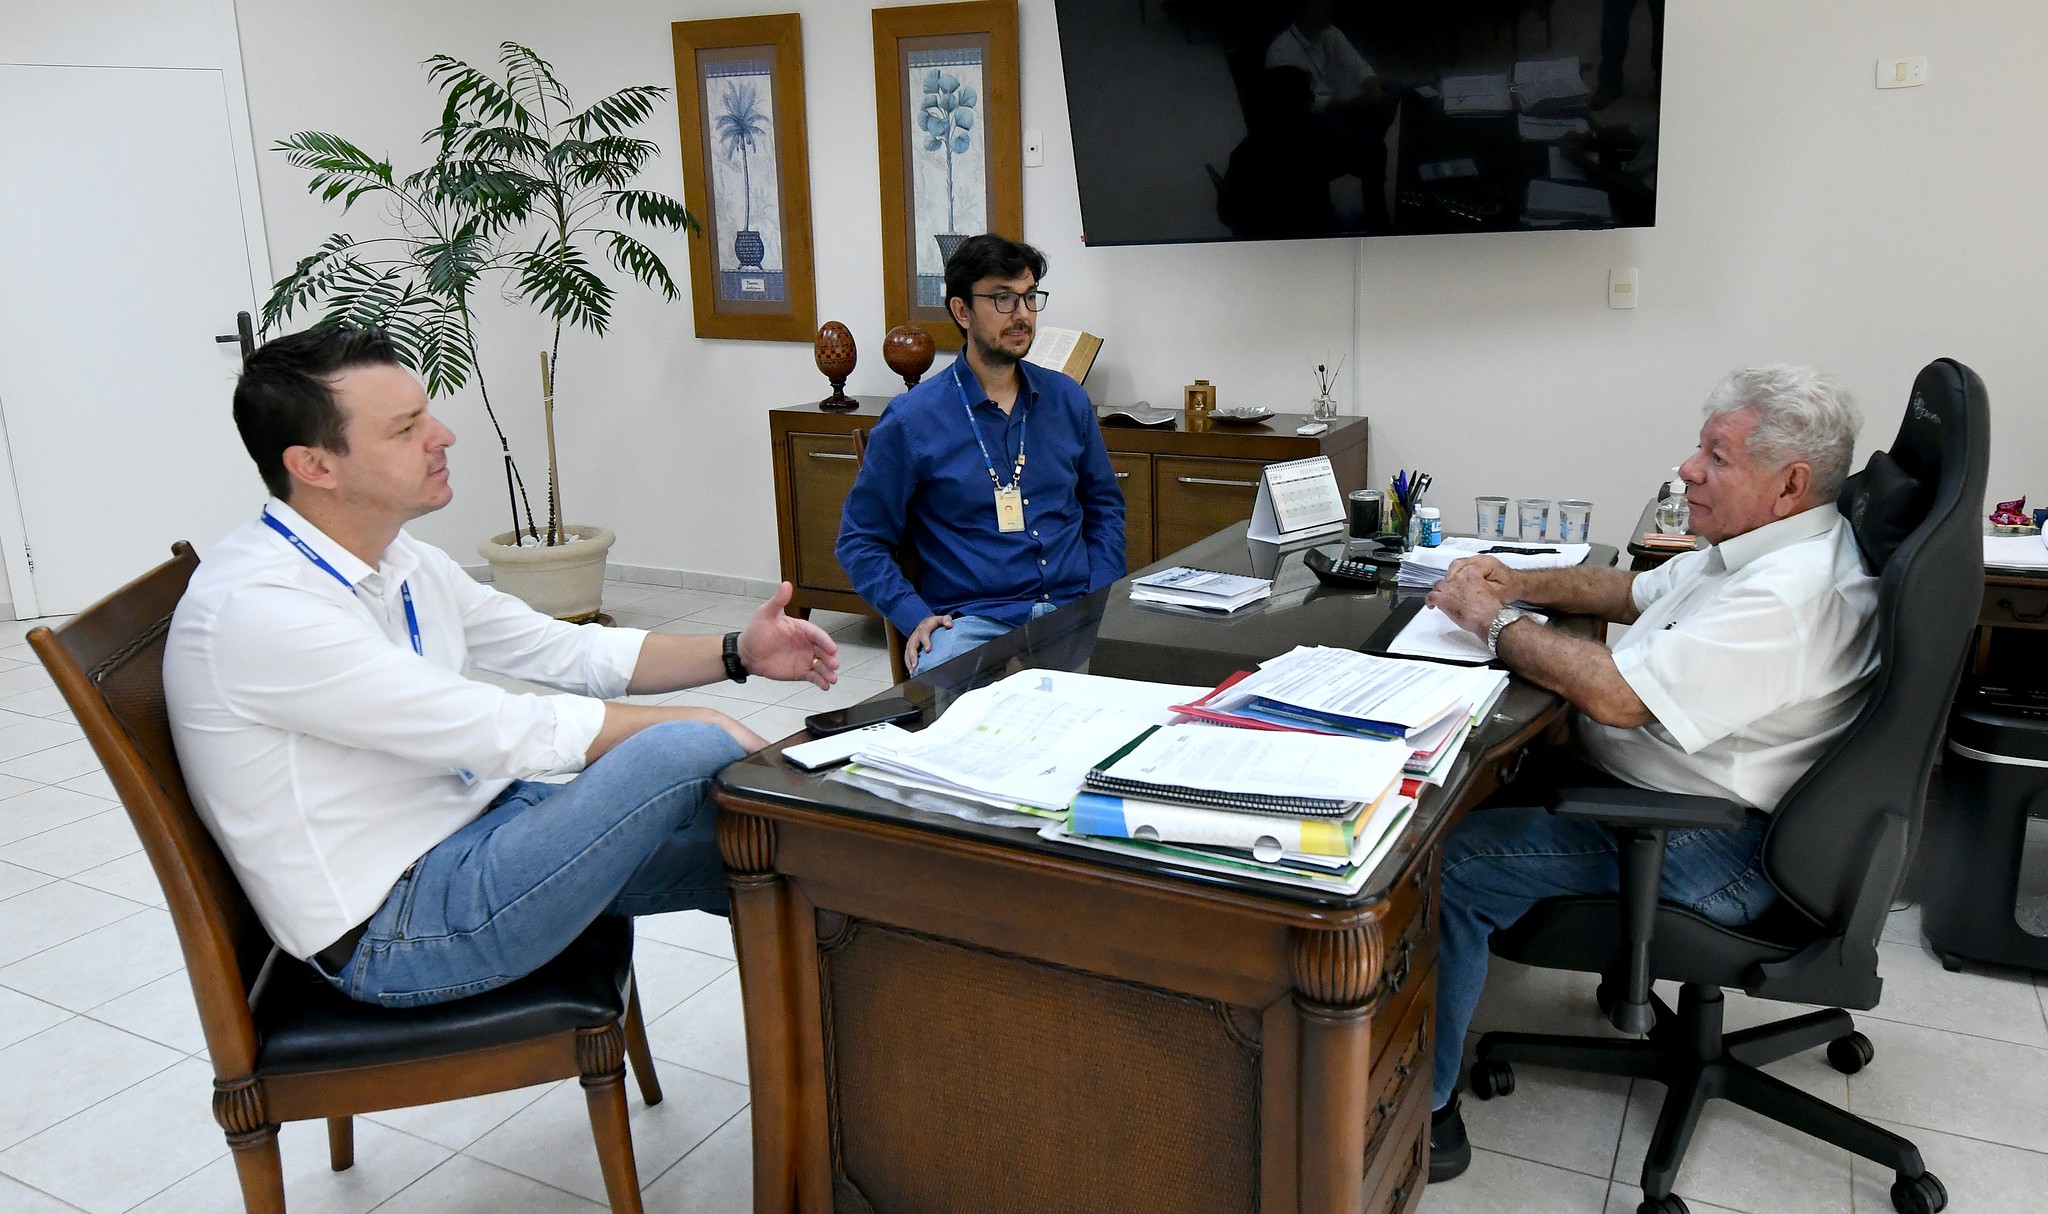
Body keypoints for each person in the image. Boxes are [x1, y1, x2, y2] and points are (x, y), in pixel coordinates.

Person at [165, 325, 840, 1008]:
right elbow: (494, 729)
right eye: (405, 429)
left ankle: (852, 1075)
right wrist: (705, 725)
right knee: (686, 746)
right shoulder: (260, 609)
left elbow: (566, 650)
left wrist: (737, 651)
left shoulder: (399, 559)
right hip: (401, 927)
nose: (444, 434)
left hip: (479, 830)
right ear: (314, 466)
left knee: (786, 849)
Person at [1418, 366, 1875, 1182]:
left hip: (1716, 844)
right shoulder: (1756, 548)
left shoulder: (1789, 595)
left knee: (1445, 864)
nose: (1688, 470)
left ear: (1791, 482)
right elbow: (1630, 588)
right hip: (1675, 794)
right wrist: (1516, 579)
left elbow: (1621, 697)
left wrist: (1493, 619)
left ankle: (1426, 1111)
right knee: (1454, 783)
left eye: (1717, 457)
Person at [836, 234, 1125, 676]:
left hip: (1073, 612)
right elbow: (860, 540)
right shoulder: (913, 420)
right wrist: (914, 616)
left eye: (1029, 297)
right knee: (957, 725)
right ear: (961, 310)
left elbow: (1105, 509)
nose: (1022, 314)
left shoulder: (1067, 400)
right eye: (1003, 299)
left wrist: (1101, 595)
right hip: (972, 621)